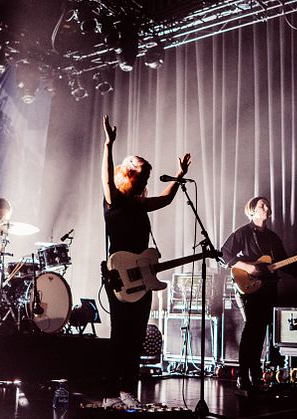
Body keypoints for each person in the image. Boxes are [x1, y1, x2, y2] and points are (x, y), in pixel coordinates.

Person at [100, 114, 191, 409]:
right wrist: (108, 145)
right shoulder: (114, 198)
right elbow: (104, 178)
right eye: (143, 172)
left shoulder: (140, 205)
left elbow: (165, 200)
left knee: (137, 334)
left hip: (143, 274)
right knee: (120, 333)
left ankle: (127, 389)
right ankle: (110, 392)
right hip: (119, 274)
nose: (148, 178)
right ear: (128, 172)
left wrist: (179, 175)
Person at [220, 196, 297, 396]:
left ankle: (255, 375)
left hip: (269, 287)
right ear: (252, 211)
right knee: (252, 329)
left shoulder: (272, 238)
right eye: (262, 205)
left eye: (267, 205)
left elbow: (283, 261)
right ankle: (243, 377)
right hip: (249, 287)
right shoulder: (242, 233)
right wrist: (246, 267)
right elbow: (224, 254)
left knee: (261, 331)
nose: (267, 207)